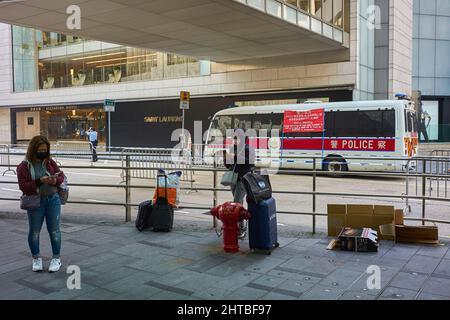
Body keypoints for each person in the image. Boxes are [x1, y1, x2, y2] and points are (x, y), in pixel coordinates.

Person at [17, 136, 65, 272]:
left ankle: (56, 258)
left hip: (53, 200)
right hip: (35, 202)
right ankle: (36, 258)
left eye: (45, 150)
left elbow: (61, 176)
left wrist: (54, 181)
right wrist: (40, 181)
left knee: (55, 230)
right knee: (34, 232)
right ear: (33, 149)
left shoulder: (49, 162)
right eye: (40, 150)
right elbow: (24, 186)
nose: (43, 152)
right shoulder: (24, 166)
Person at [224, 129, 256, 238]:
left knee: (236, 203)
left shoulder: (248, 148)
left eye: (237, 137)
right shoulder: (233, 148)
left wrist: (236, 157)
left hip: (243, 180)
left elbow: (250, 162)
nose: (234, 139)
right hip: (234, 180)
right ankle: (240, 226)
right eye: (234, 137)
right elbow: (229, 166)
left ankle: (240, 228)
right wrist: (226, 159)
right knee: (239, 203)